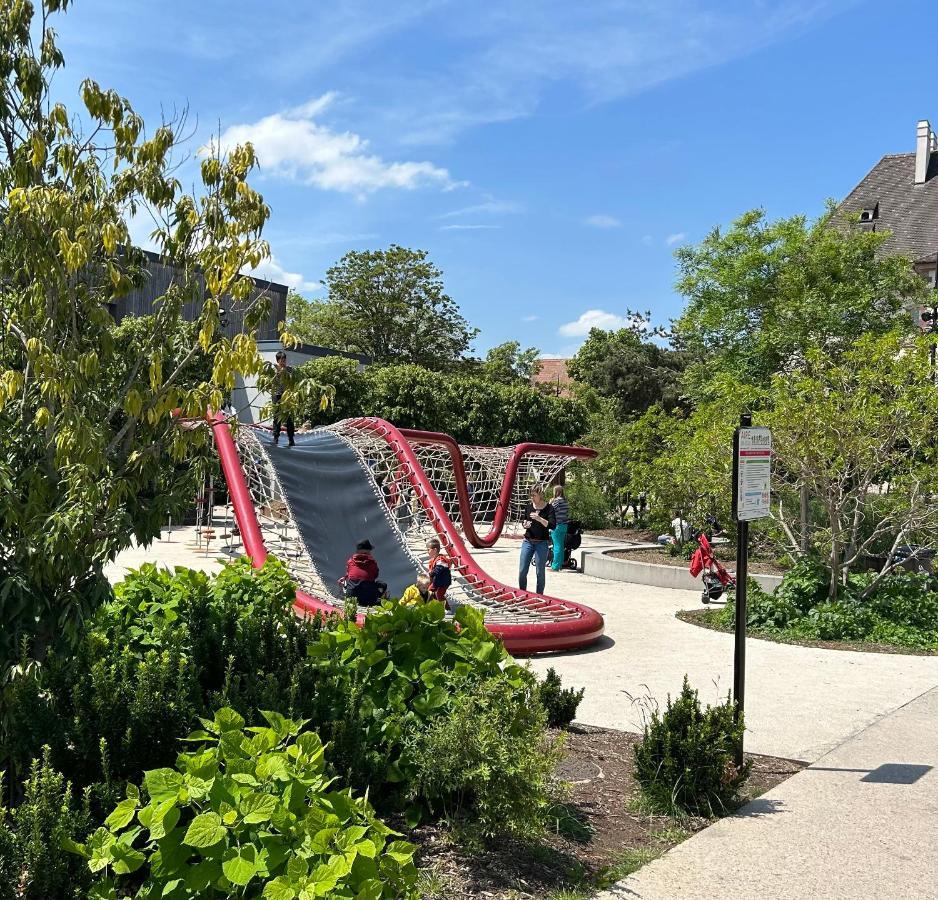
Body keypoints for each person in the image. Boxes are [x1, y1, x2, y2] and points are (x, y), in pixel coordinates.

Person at [518, 486, 556, 594]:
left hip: (541, 543)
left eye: (534, 495)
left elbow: (552, 525)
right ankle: (522, 593)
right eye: (531, 495)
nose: (532, 497)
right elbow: (524, 520)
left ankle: (539, 596)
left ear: (540, 495)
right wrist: (525, 524)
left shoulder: (549, 508)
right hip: (528, 541)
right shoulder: (529, 507)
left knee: (540, 572)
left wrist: (539, 519)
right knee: (522, 571)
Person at [344, 539, 387, 606]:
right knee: (382, 584)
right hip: (368, 599)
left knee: (349, 583)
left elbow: (349, 574)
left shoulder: (350, 561)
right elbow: (375, 575)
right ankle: (378, 599)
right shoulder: (372, 562)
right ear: (368, 551)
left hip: (351, 598)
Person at [272, 350, 294, 447]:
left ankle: (291, 438)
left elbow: (292, 379)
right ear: (278, 361)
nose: (283, 362)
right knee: (277, 417)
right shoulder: (273, 369)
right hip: (277, 395)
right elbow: (271, 381)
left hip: (287, 395)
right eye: (281, 360)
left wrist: (284, 370)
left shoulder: (290, 369)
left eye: (284, 360)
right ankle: (276, 437)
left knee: (289, 417)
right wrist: (279, 371)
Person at [550, 484, 570, 572]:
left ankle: (555, 566)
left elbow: (550, 510)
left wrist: (550, 502)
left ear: (556, 492)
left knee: (557, 546)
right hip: (564, 525)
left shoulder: (557, 501)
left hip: (557, 525)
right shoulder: (565, 501)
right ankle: (560, 564)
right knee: (561, 545)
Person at [426, 537, 452, 603]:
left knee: (439, 594)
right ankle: (435, 605)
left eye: (428, 549)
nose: (427, 552)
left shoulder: (440, 560)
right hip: (437, 581)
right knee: (432, 592)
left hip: (443, 582)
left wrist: (431, 573)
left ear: (434, 550)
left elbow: (439, 569)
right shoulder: (434, 560)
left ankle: (447, 608)